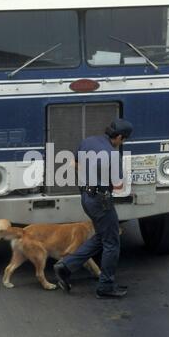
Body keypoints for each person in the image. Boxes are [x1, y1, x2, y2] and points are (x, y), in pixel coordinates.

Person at [54, 118, 133, 299]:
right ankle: (105, 285)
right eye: (124, 140)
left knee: (101, 236)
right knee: (112, 242)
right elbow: (119, 185)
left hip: (86, 198)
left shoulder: (88, 141)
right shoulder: (112, 155)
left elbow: (73, 163)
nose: (122, 143)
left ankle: (65, 267)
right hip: (101, 201)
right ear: (119, 136)